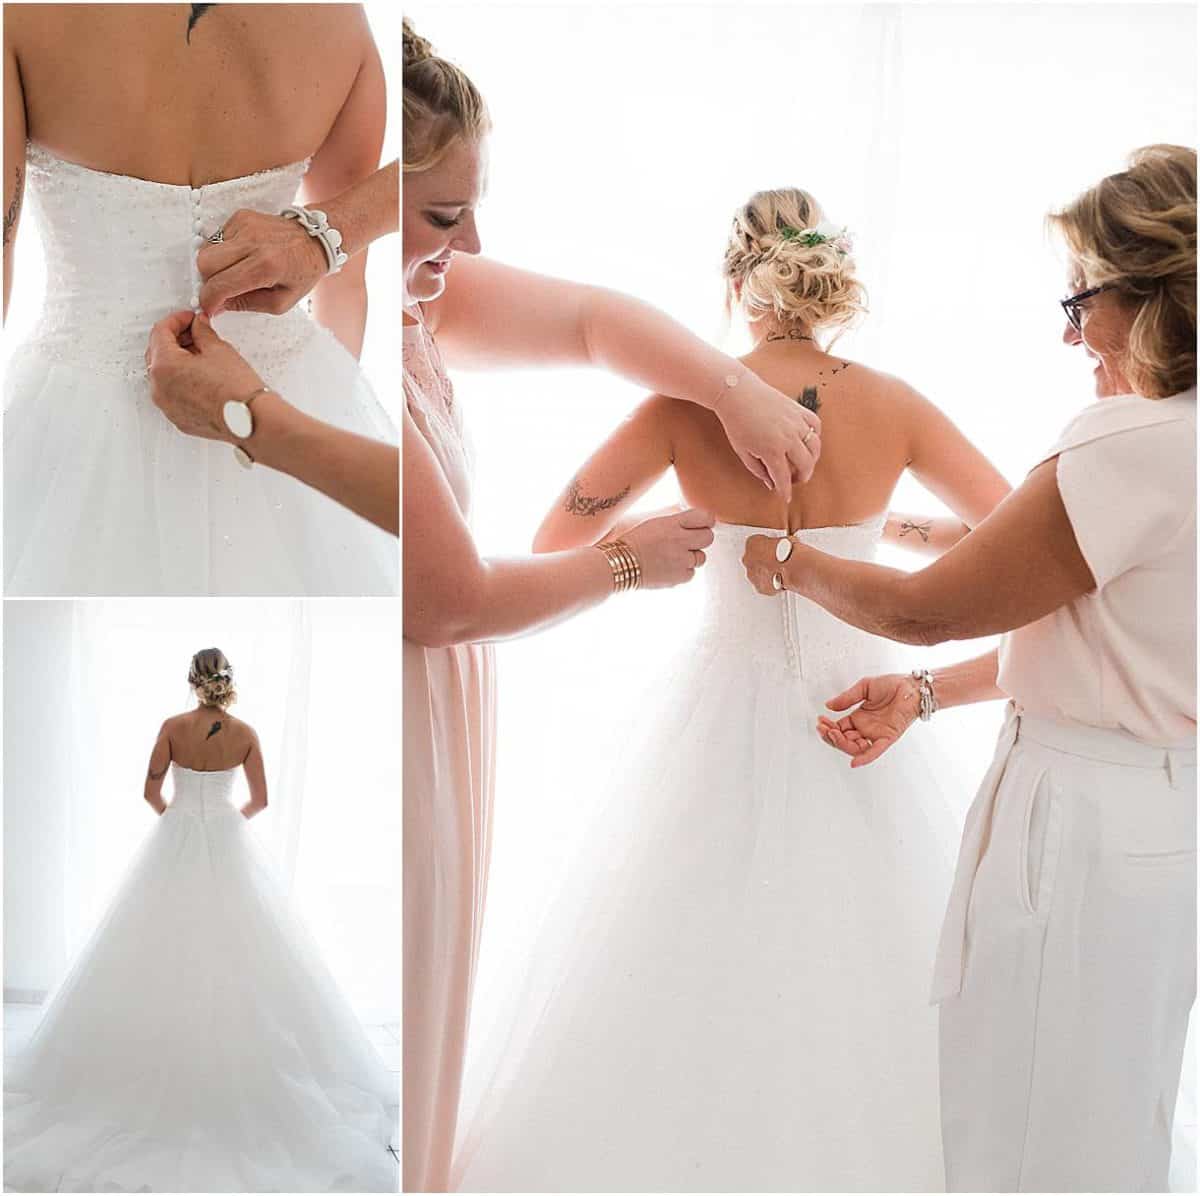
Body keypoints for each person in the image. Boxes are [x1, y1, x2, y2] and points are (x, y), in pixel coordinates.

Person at [450, 184, 1011, 1192]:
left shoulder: (684, 406)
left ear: (736, 282)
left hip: (715, 717)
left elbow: (553, 541)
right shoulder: (896, 403)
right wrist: (876, 528)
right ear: (832, 275)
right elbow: (1012, 536)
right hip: (861, 714)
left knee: (683, 966)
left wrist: (688, 523)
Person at [400, 22, 825, 1194]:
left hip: (454, 687)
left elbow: (592, 320)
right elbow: (456, 597)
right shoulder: (352, 340)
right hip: (426, 671)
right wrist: (632, 560)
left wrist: (730, 389)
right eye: (444, 217)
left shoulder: (420, 299)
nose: (473, 243)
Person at [744, 145, 1196, 1192]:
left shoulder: (1130, 442)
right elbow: (1107, 632)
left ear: (1153, 294)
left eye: (1081, 297)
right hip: (1167, 820)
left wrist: (778, 554)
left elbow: (920, 609)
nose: (1071, 329)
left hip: (1078, 821)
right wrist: (929, 693)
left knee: (1017, 1118)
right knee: (1110, 1114)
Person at [2, 3, 396, 595]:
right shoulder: (338, 17)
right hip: (294, 403)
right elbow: (344, 279)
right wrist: (324, 406)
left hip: (77, 426)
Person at [4, 649, 397, 1192]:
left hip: (176, 837)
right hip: (230, 840)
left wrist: (182, 823)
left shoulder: (171, 726)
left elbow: (149, 792)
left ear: (191, 681)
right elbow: (259, 800)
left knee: (152, 953)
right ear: (227, 681)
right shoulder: (246, 733)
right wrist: (222, 826)